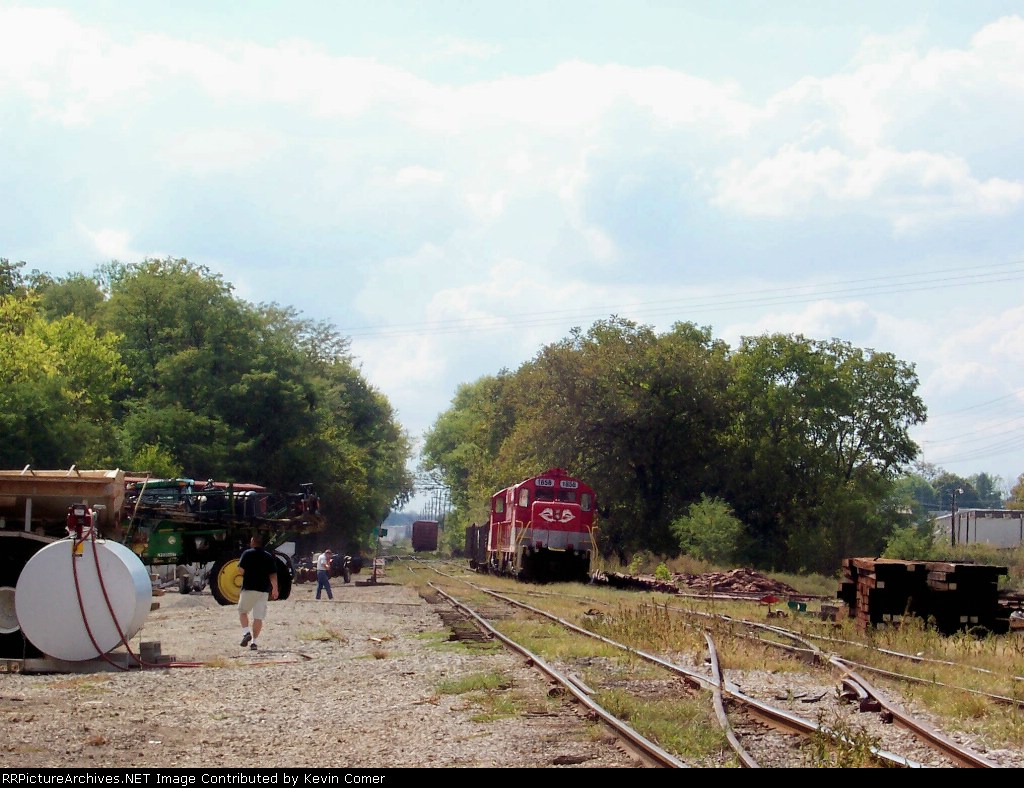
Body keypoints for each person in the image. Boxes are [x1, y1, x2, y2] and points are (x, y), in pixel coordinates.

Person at [237, 534, 278, 651]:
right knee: (258, 617)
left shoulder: (247, 553)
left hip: (249, 588)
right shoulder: (268, 556)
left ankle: (246, 633)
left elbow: (240, 570)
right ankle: (254, 642)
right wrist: (275, 589)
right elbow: (273, 574)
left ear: (253, 542)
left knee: (243, 611)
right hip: (263, 590)